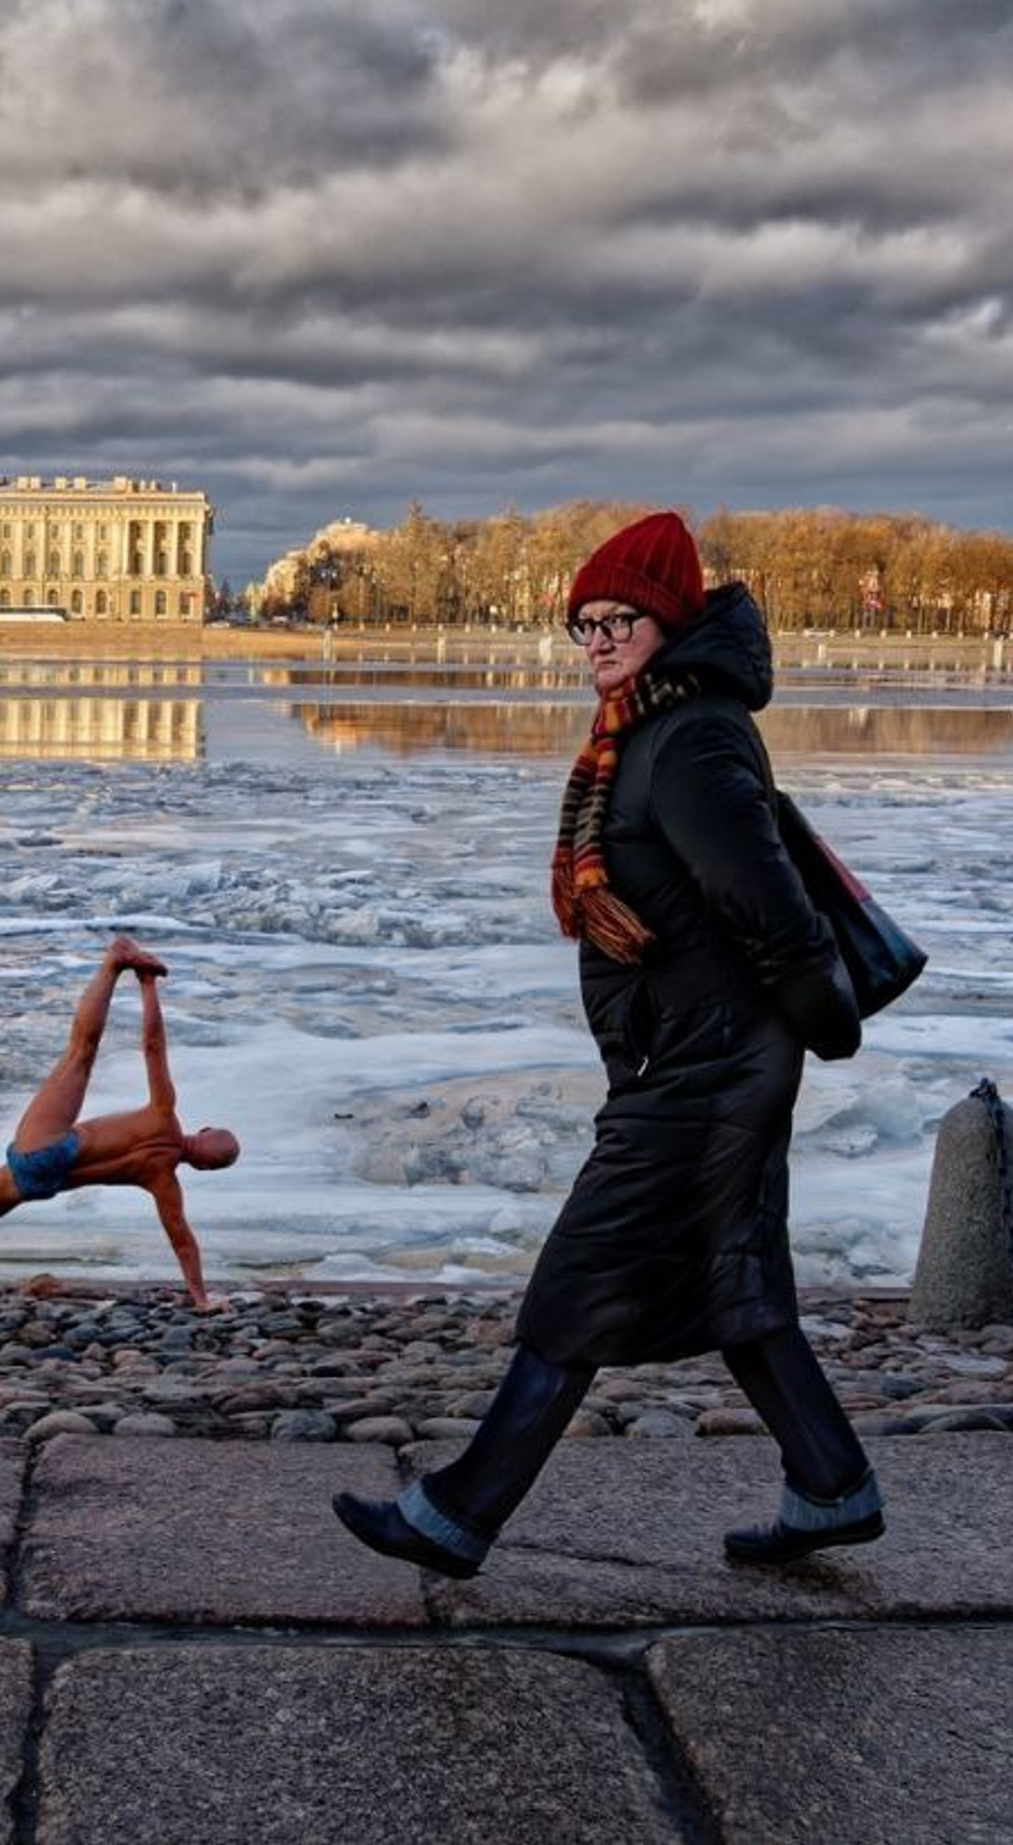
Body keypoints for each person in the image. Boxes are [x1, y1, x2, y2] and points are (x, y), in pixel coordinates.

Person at [335, 511, 883, 1575]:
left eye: (615, 619)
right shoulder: (644, 730)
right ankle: (830, 1484)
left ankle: (458, 1513)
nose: (593, 640)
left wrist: (824, 1017)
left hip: (707, 1064)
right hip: (697, 1052)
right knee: (735, 1275)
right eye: (579, 623)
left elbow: (766, 901)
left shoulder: (687, 735)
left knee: (578, 1278)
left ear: (664, 621)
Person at [0, 936, 238, 1309]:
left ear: (202, 1130)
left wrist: (147, 984)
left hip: (49, 1145)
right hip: (40, 1182)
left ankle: (113, 962)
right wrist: (201, 1299)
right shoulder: (163, 1181)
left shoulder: (164, 1114)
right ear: (203, 1167)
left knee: (80, 1053)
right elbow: (183, 1242)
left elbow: (153, 1046)